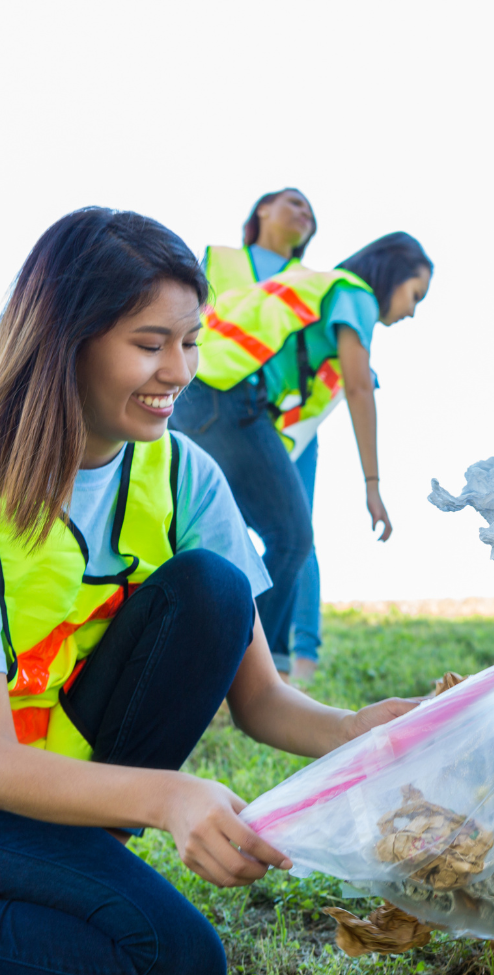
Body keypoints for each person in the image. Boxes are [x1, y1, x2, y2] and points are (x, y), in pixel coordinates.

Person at [0, 208, 416, 975]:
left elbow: (262, 701)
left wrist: (359, 733)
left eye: (190, 341)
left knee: (214, 589)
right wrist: (168, 798)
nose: (180, 371)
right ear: (65, 344)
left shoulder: (184, 474)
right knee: (176, 964)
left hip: (51, 779)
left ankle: (40, 867)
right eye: (150, 345)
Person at [187, 232, 433, 683]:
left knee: (220, 536)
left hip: (195, 392)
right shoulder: (354, 293)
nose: (413, 310)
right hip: (228, 397)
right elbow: (358, 389)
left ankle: (235, 664)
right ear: (393, 273)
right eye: (415, 294)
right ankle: (233, 673)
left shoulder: (325, 289)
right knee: (293, 538)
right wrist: (373, 486)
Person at [170, 189, 320, 676]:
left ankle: (253, 661)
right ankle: (254, 663)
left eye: (310, 211)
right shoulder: (221, 259)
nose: (305, 212)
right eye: (294, 202)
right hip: (206, 398)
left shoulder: (311, 283)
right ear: (262, 210)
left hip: (272, 419)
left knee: (285, 537)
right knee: (278, 535)